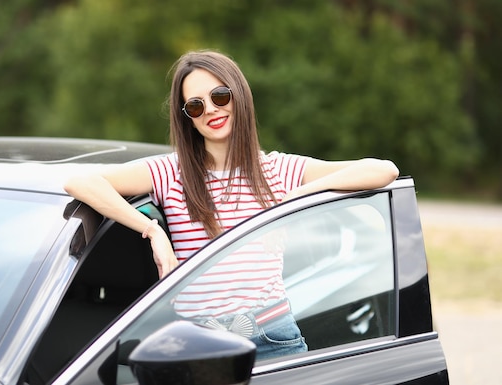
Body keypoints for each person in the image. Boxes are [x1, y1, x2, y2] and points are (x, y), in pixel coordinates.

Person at [64, 49, 399, 359]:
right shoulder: (169, 172)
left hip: (273, 336)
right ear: (188, 119)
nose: (210, 109)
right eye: (195, 105)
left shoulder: (277, 169)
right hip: (197, 345)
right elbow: (79, 182)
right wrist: (153, 230)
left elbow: (383, 170)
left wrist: (294, 199)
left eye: (219, 95)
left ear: (238, 96)